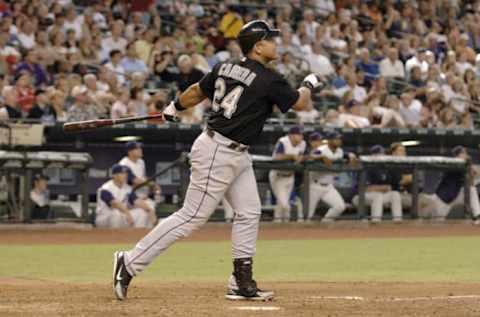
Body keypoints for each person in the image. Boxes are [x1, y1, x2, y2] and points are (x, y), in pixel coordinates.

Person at [112, 20, 324, 302]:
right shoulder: (268, 77)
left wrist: (173, 107)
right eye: (271, 40)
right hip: (218, 151)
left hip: (234, 151)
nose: (277, 43)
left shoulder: (225, 67)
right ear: (258, 46)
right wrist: (309, 83)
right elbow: (300, 103)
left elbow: (197, 92)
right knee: (191, 217)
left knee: (249, 212)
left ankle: (240, 281)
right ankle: (128, 262)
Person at [421, 146, 480, 223]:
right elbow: (460, 165)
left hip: (455, 196)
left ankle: (477, 216)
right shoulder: (453, 163)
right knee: (435, 224)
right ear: (457, 155)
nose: (466, 155)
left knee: (471, 190)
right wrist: (467, 164)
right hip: (442, 200)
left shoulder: (465, 165)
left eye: (466, 153)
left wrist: (469, 165)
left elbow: (471, 181)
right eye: (463, 153)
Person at [307, 131, 355, 222]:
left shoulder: (340, 151)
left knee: (340, 206)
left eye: (339, 139)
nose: (339, 141)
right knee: (307, 215)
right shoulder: (321, 149)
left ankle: (325, 224)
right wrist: (322, 157)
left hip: (329, 186)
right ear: (329, 141)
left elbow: (347, 155)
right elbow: (310, 156)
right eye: (336, 139)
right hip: (314, 186)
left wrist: (351, 155)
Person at [95, 164, 157, 228]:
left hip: (122, 215)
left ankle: (138, 234)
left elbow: (137, 201)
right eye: (122, 173)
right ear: (114, 175)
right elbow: (115, 204)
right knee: (116, 213)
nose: (125, 175)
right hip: (104, 217)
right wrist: (127, 213)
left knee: (141, 212)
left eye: (125, 173)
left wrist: (149, 210)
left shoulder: (127, 188)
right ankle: (113, 236)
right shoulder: (106, 188)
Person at [354, 145, 402, 223]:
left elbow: (389, 187)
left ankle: (398, 221)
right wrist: (382, 188)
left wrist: (380, 188)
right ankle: (376, 222)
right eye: (380, 153)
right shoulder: (366, 167)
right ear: (373, 155)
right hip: (360, 197)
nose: (382, 155)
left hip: (379, 195)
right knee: (377, 196)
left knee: (395, 194)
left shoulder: (385, 168)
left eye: (383, 153)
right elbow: (366, 189)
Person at [269, 126, 306, 223]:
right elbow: (277, 157)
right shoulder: (283, 141)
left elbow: (300, 157)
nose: (301, 137)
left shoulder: (302, 144)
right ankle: (285, 224)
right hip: (278, 176)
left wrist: (300, 158)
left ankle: (278, 225)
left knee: (281, 205)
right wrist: (292, 156)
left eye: (301, 135)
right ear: (291, 135)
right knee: (285, 205)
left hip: (290, 176)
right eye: (298, 135)